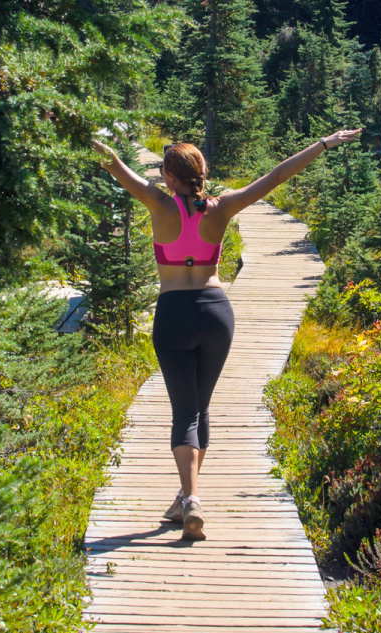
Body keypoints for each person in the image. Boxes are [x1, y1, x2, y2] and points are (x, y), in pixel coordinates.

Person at [91, 130, 362, 539]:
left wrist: (81, 130)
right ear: (202, 173)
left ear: (168, 175)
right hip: (217, 314)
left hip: (174, 314)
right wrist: (325, 143)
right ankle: (184, 497)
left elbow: (113, 164)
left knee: (184, 413)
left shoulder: (157, 202)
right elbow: (276, 175)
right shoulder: (222, 207)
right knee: (201, 408)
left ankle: (193, 499)